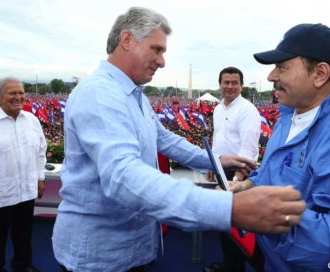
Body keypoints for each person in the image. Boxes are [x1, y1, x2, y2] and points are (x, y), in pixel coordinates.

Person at [52, 7, 306, 272]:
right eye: (157, 49)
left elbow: (164, 138)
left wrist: (215, 160)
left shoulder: (132, 94)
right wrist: (230, 208)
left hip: (128, 248)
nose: (162, 61)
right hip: (99, 256)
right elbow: (122, 177)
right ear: (127, 41)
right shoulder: (100, 94)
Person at [246, 23, 330, 271]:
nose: (271, 77)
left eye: (282, 67)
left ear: (320, 74)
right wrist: (248, 185)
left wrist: (262, 214)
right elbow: (277, 173)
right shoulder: (290, 113)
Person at [0, 77, 47, 272]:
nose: (18, 97)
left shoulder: (32, 121)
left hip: (26, 193)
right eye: (12, 93)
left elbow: (41, 151)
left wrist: (40, 177)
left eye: (21, 92)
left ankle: (23, 266)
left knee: (24, 237)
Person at [205, 67, 261, 272]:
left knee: (236, 224)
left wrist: (237, 179)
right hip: (222, 170)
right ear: (219, 84)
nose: (229, 86)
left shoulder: (247, 110)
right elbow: (217, 140)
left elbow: (249, 149)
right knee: (224, 220)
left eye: (234, 82)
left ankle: (235, 267)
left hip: (238, 174)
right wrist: (212, 163)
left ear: (241, 85)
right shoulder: (218, 109)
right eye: (225, 82)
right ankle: (228, 264)